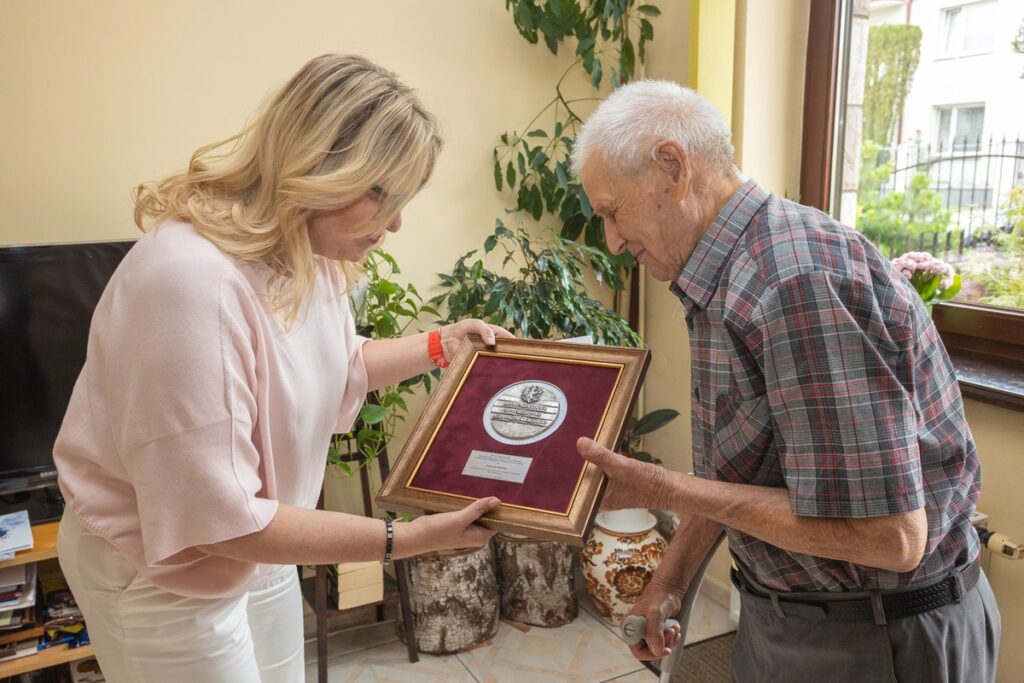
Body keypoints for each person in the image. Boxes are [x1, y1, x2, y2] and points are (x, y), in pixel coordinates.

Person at [54, 54, 511, 682]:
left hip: (257, 538)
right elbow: (215, 518)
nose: (395, 223)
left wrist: (439, 345)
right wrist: (406, 540)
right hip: (161, 566)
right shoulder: (189, 283)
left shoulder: (311, 253)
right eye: (380, 193)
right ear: (316, 164)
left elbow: (333, 367)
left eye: (404, 198)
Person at [570, 80, 1000, 682]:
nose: (613, 240)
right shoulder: (722, 275)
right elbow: (741, 472)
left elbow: (890, 538)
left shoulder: (794, 282)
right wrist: (670, 581)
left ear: (672, 167)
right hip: (793, 620)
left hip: (876, 638)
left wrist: (664, 489)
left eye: (612, 211)